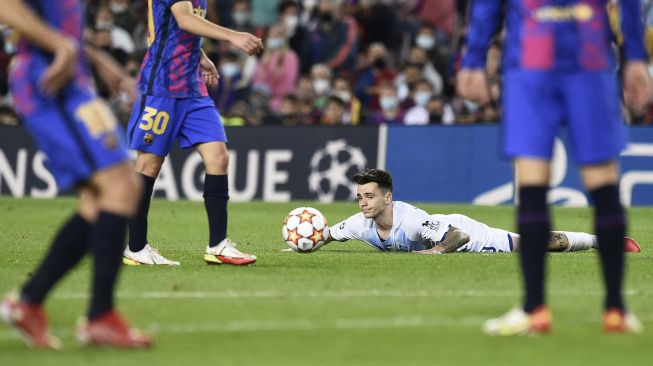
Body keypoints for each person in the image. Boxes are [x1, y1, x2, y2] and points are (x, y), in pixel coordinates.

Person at [457, 0, 652, 334]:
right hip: (588, 57)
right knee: (603, 183)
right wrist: (635, 56)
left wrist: (474, 58)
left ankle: (534, 309)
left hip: (533, 58)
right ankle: (615, 310)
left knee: (533, 183)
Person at [0, 0, 151, 348]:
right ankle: (99, 317)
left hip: (72, 78)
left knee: (106, 197)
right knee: (119, 187)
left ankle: (31, 301)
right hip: (50, 80)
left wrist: (95, 58)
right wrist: (60, 47)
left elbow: (60, 22)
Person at [123, 0, 263, 266]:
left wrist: (200, 56)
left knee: (218, 157)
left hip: (192, 87)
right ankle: (136, 248)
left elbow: (172, 30)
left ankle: (218, 245)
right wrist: (233, 35)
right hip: (162, 87)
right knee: (149, 163)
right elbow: (185, 20)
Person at [319, 169, 641, 255]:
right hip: (445, 232)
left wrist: (434, 252)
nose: (362, 202)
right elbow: (329, 235)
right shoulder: (358, 224)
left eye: (369, 196)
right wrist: (303, 242)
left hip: (466, 235)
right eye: (360, 196)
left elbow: (459, 236)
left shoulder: (410, 219)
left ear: (387, 198)